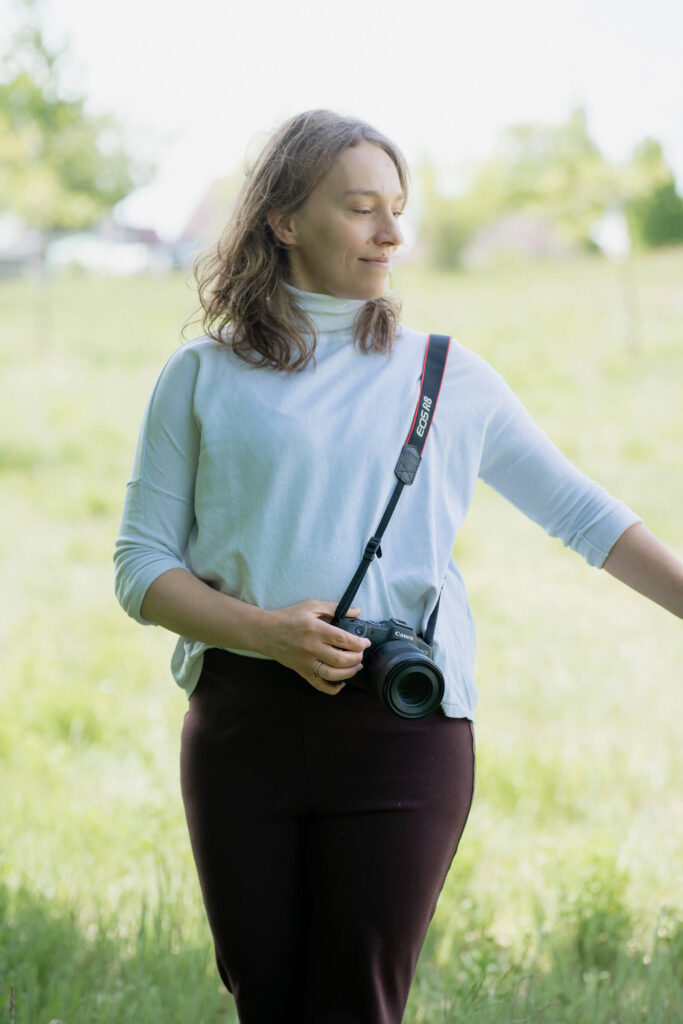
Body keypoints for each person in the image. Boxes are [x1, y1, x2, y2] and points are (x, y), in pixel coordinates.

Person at [114, 109, 683, 1024]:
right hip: (240, 727)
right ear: (284, 219)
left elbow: (584, 515)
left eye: (397, 209)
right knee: (265, 998)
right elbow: (140, 567)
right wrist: (266, 633)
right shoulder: (200, 375)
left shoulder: (447, 377)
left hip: (399, 728)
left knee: (356, 1006)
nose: (390, 233)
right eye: (360, 208)